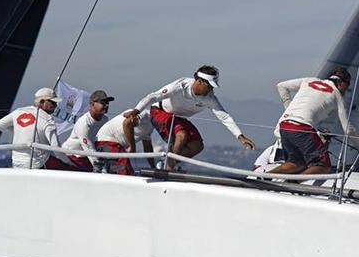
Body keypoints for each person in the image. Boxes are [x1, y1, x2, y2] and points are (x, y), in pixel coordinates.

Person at [123, 65, 256, 170]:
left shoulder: (210, 98)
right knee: (181, 135)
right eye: (209, 85)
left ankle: (166, 162)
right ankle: (169, 169)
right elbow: (153, 96)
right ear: (199, 81)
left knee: (197, 145)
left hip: (178, 117)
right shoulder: (180, 86)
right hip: (160, 111)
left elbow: (224, 116)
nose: (211, 89)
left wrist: (241, 137)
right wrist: (136, 110)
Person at [269, 66, 359, 175]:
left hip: (284, 125)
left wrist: (289, 108)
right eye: (346, 87)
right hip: (302, 128)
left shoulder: (309, 80)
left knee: (296, 163)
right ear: (341, 83)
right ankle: (294, 183)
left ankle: (265, 177)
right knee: (323, 165)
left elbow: (281, 86)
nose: (345, 91)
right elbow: (348, 129)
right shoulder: (337, 95)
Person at [0, 87, 71, 169]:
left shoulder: (18, 112)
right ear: (42, 102)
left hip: (16, 163)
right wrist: (67, 162)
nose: (55, 106)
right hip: (36, 165)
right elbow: (55, 146)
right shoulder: (48, 120)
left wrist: (18, 131)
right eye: (53, 102)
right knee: (69, 168)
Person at [61, 90, 114, 171]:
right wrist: (100, 169)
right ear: (92, 104)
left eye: (107, 103)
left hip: (87, 157)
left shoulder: (105, 120)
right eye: (102, 103)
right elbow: (88, 147)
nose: (106, 105)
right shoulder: (83, 123)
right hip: (72, 156)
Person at [95, 110, 155, 175]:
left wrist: (153, 167)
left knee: (125, 171)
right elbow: (127, 123)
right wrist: (132, 147)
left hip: (115, 145)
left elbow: (147, 146)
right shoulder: (144, 115)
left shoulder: (150, 126)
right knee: (125, 172)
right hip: (106, 141)